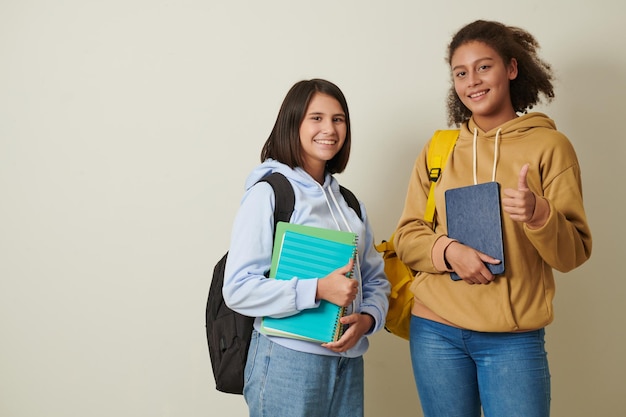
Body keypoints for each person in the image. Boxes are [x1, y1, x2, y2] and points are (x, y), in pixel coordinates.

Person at [394, 20, 592, 417]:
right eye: (461, 73)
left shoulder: (550, 147)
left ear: (512, 69)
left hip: (511, 340)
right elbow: (407, 235)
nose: (473, 81)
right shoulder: (439, 149)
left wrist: (539, 215)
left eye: (484, 67)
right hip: (435, 330)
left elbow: (573, 254)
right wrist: (449, 253)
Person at [223, 78, 390, 417]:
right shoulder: (268, 193)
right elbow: (238, 290)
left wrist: (370, 319)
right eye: (316, 117)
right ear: (293, 123)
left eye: (338, 119)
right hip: (287, 361)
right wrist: (318, 289)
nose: (329, 128)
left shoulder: (350, 204)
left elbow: (376, 279)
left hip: (347, 364)